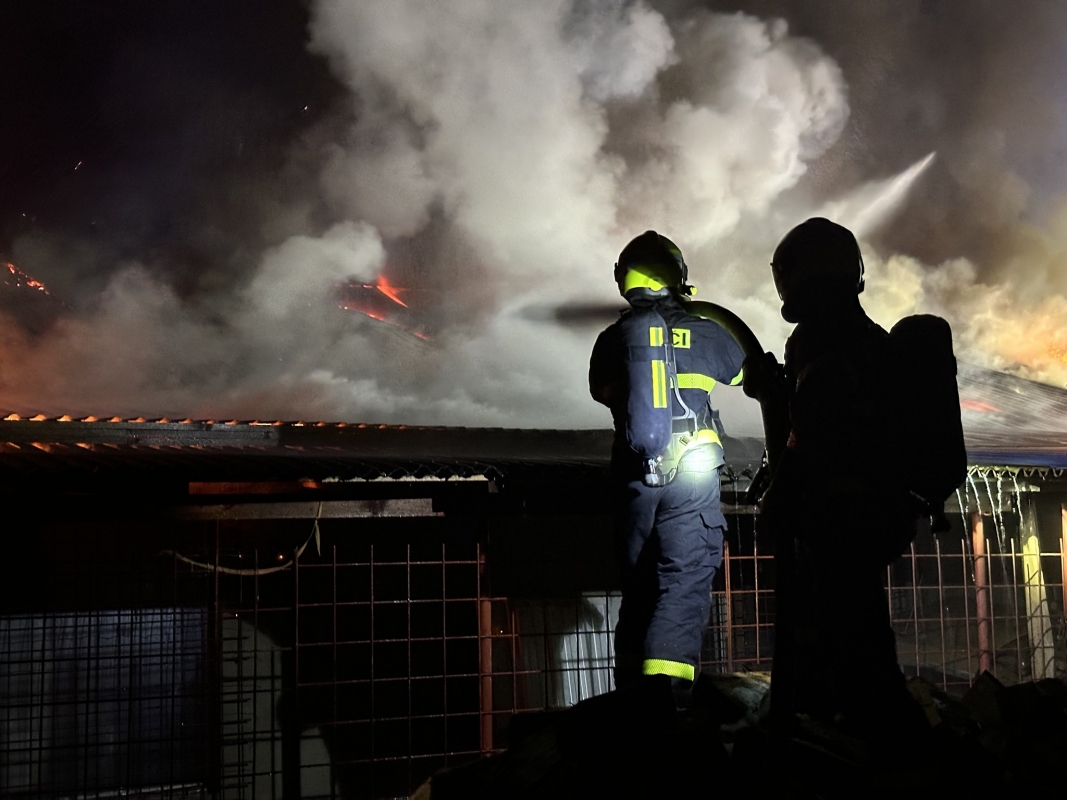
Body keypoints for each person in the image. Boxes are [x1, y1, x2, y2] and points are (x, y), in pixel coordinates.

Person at [743, 217, 928, 748]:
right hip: (871, 509)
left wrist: (780, 493)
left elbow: (817, 429)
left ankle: (879, 736)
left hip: (840, 514)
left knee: (849, 628)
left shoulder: (821, 338)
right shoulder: (865, 336)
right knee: (851, 622)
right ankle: (858, 722)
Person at [589, 231, 744, 701]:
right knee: (683, 582)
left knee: (638, 588)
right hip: (692, 476)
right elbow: (742, 371)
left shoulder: (611, 340)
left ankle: (631, 696)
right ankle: (666, 699)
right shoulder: (708, 331)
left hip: (634, 478)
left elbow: (601, 391)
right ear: (678, 276)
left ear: (624, 279)